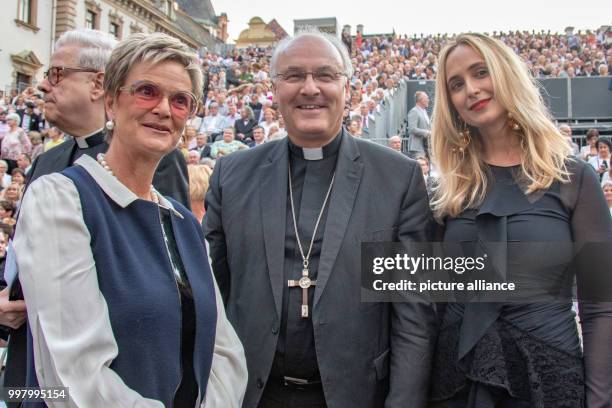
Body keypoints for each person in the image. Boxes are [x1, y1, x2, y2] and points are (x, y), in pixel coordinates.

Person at [13, 32, 247, 407]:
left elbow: (224, 352)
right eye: (146, 91)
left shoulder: (183, 222)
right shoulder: (61, 198)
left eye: (180, 100)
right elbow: (75, 373)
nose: (164, 109)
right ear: (110, 101)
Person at [204, 29, 435, 408]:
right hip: (251, 394)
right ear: (275, 90)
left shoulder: (398, 178)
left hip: (356, 395)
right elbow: (213, 293)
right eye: (293, 76)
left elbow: (414, 313)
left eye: (325, 75)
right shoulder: (232, 175)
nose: (310, 88)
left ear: (348, 89)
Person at [429, 33, 612, 408]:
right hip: (457, 382)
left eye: (481, 72)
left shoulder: (574, 179)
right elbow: (427, 298)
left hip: (549, 380)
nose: (471, 90)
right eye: (456, 84)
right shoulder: (446, 192)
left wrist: (599, 400)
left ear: (507, 75)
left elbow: (601, 303)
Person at [407, 91, 431, 158]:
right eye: (427, 98)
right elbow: (412, 129)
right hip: (417, 147)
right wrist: (427, 133)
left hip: (426, 147)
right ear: (420, 100)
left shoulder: (424, 112)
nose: (428, 100)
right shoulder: (414, 111)